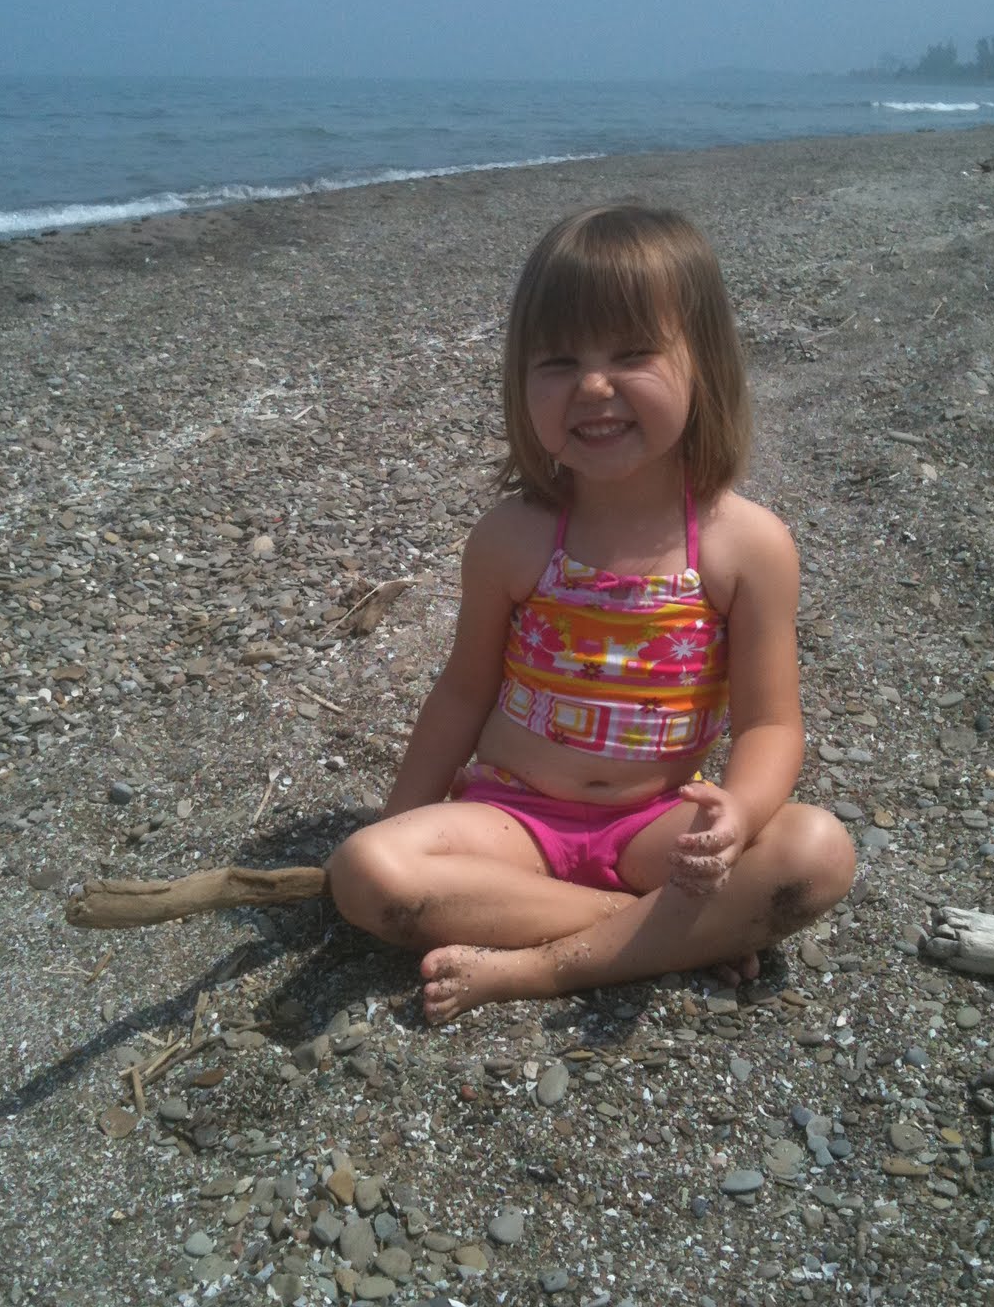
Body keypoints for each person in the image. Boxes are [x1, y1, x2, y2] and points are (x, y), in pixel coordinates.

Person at [326, 204, 856, 1022]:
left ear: (705, 364)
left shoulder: (746, 546)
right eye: (559, 360)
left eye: (633, 354)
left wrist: (741, 814)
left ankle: (537, 967)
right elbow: (462, 694)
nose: (594, 386)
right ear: (521, 382)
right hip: (512, 821)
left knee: (816, 852)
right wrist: (404, 819)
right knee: (368, 872)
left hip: (655, 827)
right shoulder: (513, 538)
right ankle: (658, 934)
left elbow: (770, 726)